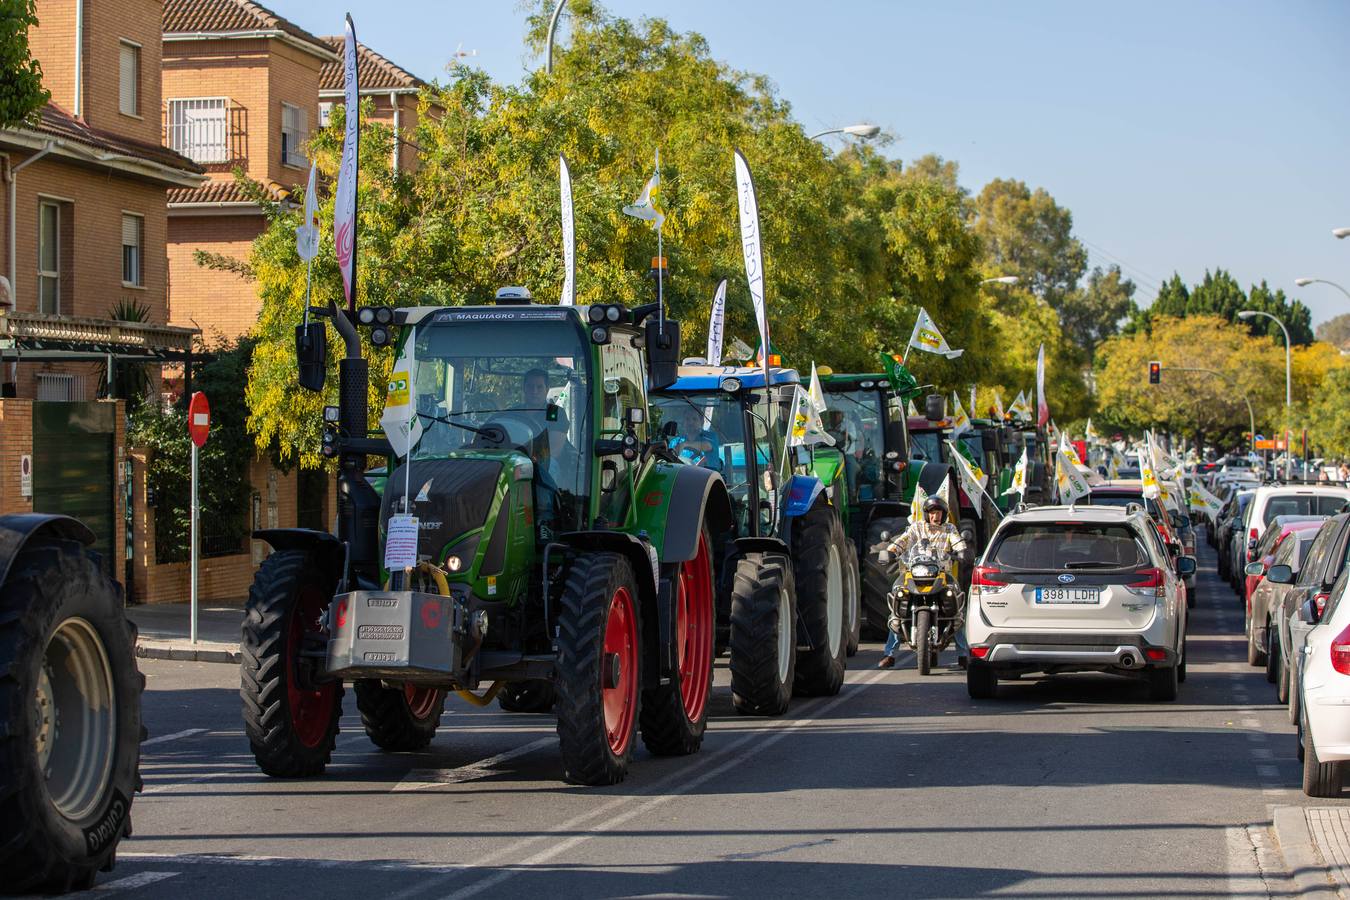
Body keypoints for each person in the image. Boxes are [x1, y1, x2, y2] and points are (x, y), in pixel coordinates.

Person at [877, 495, 970, 669]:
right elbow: (901, 542)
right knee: (897, 607)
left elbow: (959, 544)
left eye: (939, 513)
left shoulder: (949, 529)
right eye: (933, 513)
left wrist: (962, 551)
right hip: (913, 573)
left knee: (957, 608)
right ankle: (889, 654)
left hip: (941, 573)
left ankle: (963, 654)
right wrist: (890, 552)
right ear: (927, 514)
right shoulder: (916, 528)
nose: (936, 516)